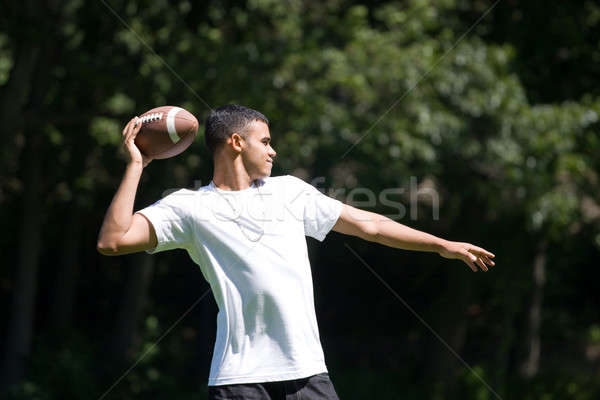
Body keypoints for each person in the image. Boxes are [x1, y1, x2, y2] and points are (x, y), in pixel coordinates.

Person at [97, 104, 495, 400]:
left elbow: (371, 225)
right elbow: (112, 241)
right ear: (236, 142)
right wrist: (138, 163)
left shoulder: (290, 192)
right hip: (239, 379)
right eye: (266, 142)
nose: (273, 152)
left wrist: (441, 244)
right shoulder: (188, 207)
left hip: (307, 374)